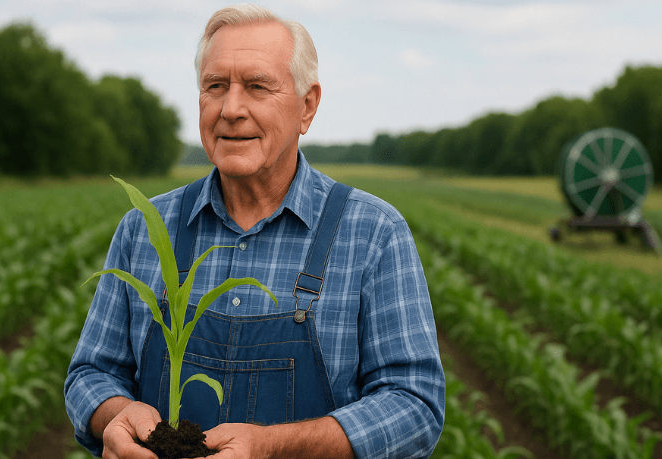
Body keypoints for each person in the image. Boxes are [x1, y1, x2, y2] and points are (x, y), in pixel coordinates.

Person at [65, 4, 445, 458]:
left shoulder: (373, 233)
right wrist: (115, 414)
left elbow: (414, 404)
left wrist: (272, 447)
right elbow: (90, 373)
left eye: (257, 87)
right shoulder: (144, 229)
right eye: (215, 86)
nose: (230, 109)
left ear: (307, 106)